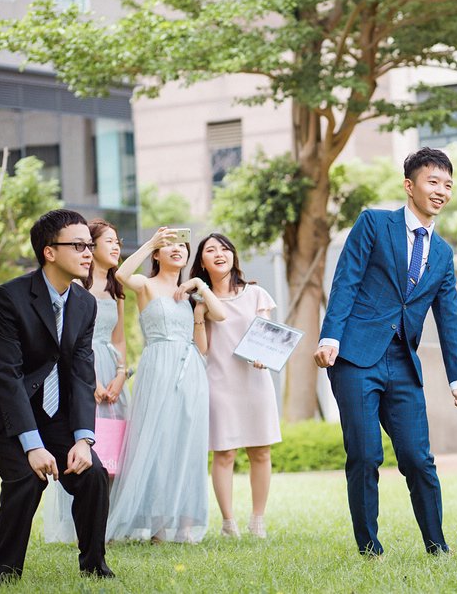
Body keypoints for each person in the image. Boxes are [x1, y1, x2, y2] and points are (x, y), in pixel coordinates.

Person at [313, 147, 457, 557]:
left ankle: (437, 546)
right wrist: (330, 338)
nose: (441, 191)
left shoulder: (443, 253)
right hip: (356, 357)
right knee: (365, 456)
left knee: (418, 459)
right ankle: (369, 547)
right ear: (410, 185)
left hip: (403, 363)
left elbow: (449, 317)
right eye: (433, 182)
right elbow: (345, 280)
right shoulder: (374, 224)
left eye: (448, 184)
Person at [0, 209, 112, 585]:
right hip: (1, 409)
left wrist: (83, 438)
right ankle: (3, 572)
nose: (89, 252)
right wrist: (33, 445)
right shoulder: (7, 298)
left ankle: (95, 568)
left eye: (90, 245)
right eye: (79, 245)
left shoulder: (85, 304)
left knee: (92, 473)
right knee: (26, 476)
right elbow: (6, 376)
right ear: (49, 252)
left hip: (52, 411)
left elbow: (83, 373)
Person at [106, 226, 226, 543]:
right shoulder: (145, 285)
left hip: (191, 371)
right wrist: (151, 242)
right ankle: (157, 526)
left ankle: (183, 525)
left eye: (182, 246)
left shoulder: (191, 295)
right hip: (158, 366)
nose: (177, 249)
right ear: (158, 254)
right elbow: (121, 274)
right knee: (156, 443)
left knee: (186, 443)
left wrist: (199, 284)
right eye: (169, 245)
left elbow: (220, 317)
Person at [190, 233, 282, 539]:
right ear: (201, 261)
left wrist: (263, 356)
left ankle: (258, 519)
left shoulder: (256, 294)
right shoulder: (199, 299)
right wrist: (199, 315)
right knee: (224, 453)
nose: (219, 254)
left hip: (255, 381)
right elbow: (202, 349)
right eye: (210, 250)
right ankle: (229, 523)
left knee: (260, 451)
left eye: (224, 248)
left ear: (233, 255)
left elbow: (267, 336)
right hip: (219, 382)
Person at [45, 218, 129, 543]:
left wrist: (121, 374)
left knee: (114, 453)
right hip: (82, 370)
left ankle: (105, 526)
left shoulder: (117, 290)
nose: (117, 246)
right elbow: (69, 341)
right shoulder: (77, 287)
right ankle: (77, 527)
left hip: (113, 370)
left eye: (118, 240)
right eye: (109, 241)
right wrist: (89, 382)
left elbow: (119, 339)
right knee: (84, 449)